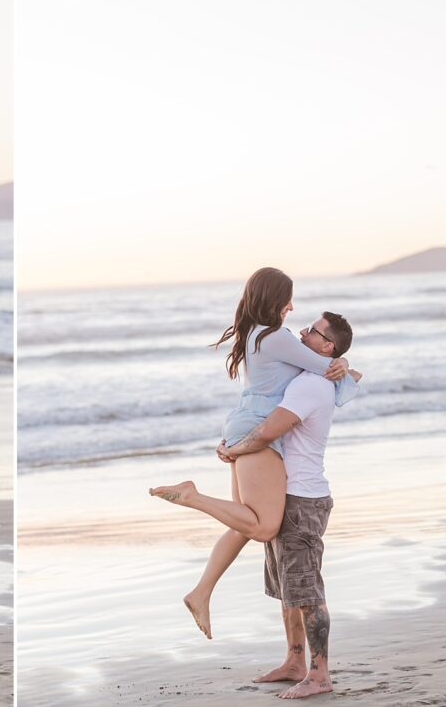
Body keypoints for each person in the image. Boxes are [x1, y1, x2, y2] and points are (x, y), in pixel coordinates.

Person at [149, 267, 358, 638]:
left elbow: (322, 367)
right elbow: (328, 369)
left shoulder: (257, 334)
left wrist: (341, 366)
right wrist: (345, 366)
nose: (292, 308)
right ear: (274, 299)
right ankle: (191, 495)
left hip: (245, 424)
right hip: (259, 431)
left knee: (243, 523)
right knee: (263, 526)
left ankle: (200, 593)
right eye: (288, 299)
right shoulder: (276, 338)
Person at [214, 311, 353, 699]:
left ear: (328, 347)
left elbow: (270, 430)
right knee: (288, 589)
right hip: (285, 494)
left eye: (313, 331)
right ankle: (294, 661)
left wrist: (231, 450)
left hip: (303, 499)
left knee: (306, 591)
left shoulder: (311, 385)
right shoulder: (308, 376)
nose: (303, 332)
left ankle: (319, 673)